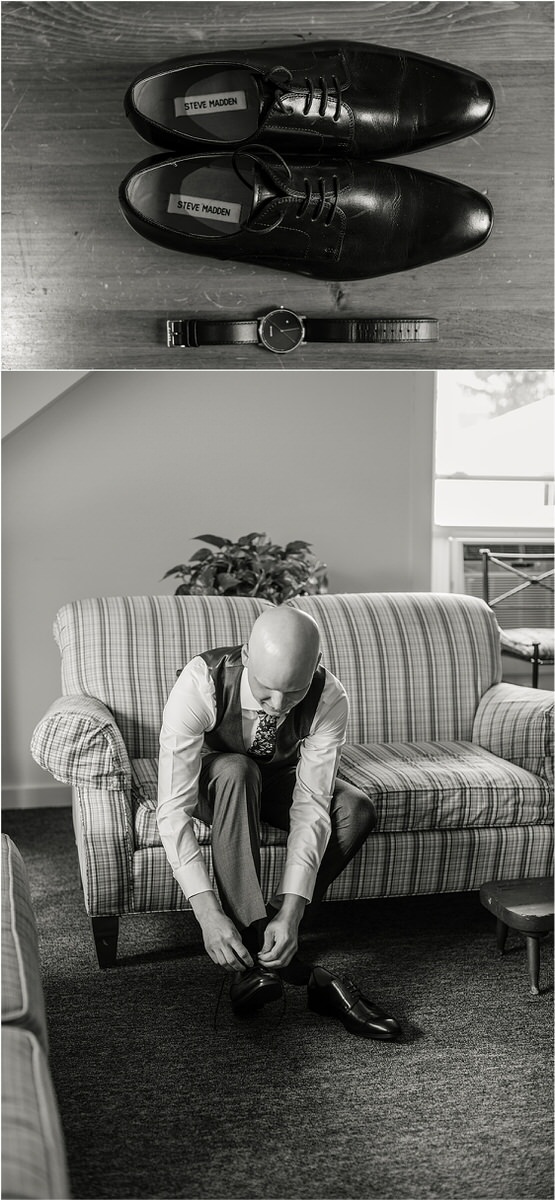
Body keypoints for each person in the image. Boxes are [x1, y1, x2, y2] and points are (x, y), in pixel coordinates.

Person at [157, 605, 400, 1040]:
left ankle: (261, 950)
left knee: (356, 808)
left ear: (315, 668)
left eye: (294, 693)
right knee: (236, 770)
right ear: (248, 654)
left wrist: (291, 912)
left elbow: (310, 805)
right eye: (267, 691)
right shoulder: (199, 682)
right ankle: (297, 969)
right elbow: (173, 808)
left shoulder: (329, 696)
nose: (279, 706)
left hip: (277, 780)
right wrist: (206, 913)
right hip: (217, 781)